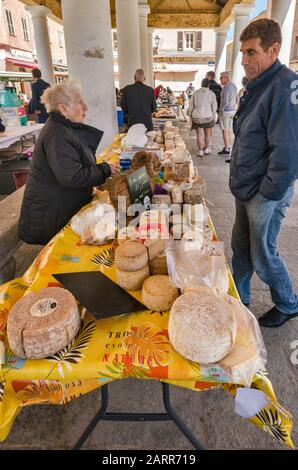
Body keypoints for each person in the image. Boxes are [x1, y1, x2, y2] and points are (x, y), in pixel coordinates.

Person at [230, 19, 298, 327]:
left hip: (264, 192)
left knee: (263, 255)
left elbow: (288, 152)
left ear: (274, 50)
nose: (245, 61)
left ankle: (287, 302)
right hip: (246, 186)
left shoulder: (284, 86)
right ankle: (238, 299)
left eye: (252, 53)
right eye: (242, 53)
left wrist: (266, 194)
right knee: (240, 248)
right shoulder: (258, 84)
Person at [18, 81, 114, 245]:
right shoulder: (57, 134)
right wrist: (104, 170)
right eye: (80, 102)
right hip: (51, 214)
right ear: (63, 109)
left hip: (59, 207)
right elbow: (72, 177)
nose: (86, 107)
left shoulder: (64, 127)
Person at [188, 78, 217, 157]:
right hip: (208, 117)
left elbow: (191, 106)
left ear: (201, 84)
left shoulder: (195, 93)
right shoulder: (211, 94)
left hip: (197, 117)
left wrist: (190, 115)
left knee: (199, 134)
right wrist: (213, 116)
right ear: (208, 85)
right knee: (207, 134)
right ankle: (207, 149)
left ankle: (200, 151)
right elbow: (214, 107)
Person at [218, 71, 238, 156]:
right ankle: (228, 146)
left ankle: (226, 148)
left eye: (221, 78)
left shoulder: (226, 87)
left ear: (226, 78)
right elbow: (237, 99)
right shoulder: (234, 86)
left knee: (224, 130)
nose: (220, 80)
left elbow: (225, 101)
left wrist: (221, 110)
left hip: (226, 111)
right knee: (228, 130)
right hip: (232, 110)